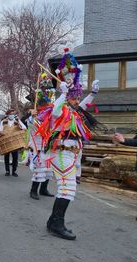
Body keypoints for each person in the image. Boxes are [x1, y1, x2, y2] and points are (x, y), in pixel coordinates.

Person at [39, 48, 100, 240]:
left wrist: (93, 93)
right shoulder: (60, 110)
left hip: (72, 154)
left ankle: (53, 221)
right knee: (67, 188)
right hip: (61, 152)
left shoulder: (75, 111)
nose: (77, 100)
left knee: (67, 188)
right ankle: (56, 224)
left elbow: (83, 105)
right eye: (73, 97)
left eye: (77, 97)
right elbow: (56, 109)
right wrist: (63, 95)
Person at [27, 73, 56, 200]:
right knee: (40, 169)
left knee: (49, 170)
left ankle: (44, 189)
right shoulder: (34, 118)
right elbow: (31, 127)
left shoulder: (51, 119)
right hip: (38, 147)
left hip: (49, 147)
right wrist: (33, 117)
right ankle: (34, 190)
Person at [0, 109, 27, 177]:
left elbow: (24, 128)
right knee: (6, 157)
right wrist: (4, 135)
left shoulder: (17, 121)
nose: (12, 115)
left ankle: (14, 171)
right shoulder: (4, 121)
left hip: (15, 142)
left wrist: (18, 121)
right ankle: (7, 171)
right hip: (7, 141)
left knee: (15, 157)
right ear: (7, 115)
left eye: (13, 114)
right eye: (10, 114)